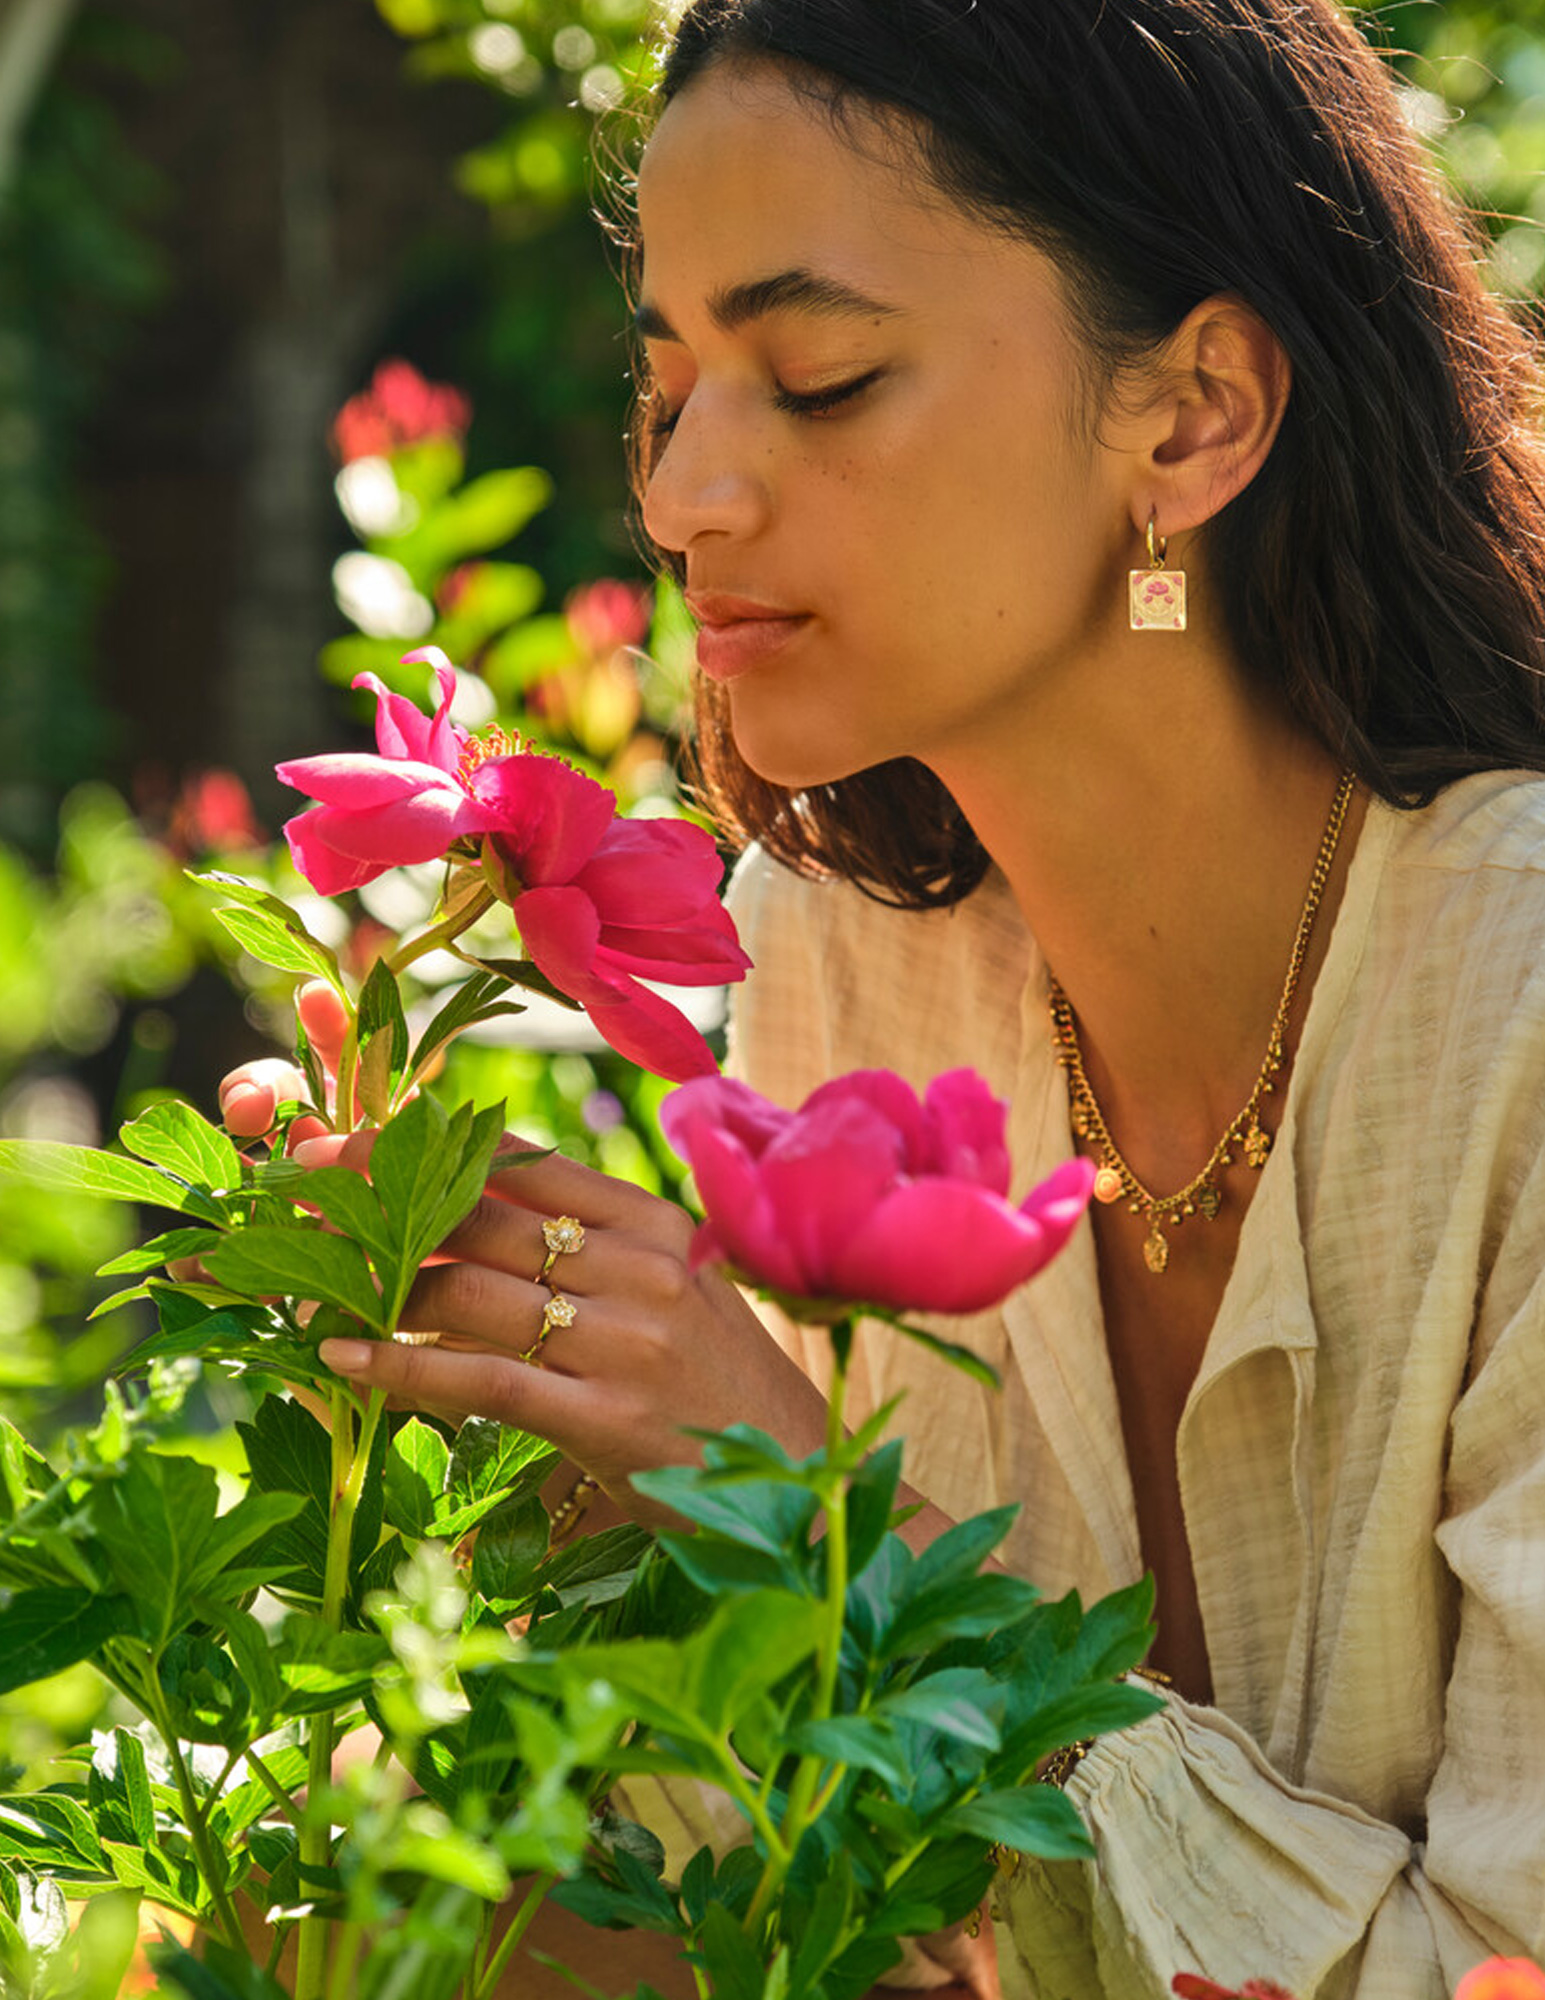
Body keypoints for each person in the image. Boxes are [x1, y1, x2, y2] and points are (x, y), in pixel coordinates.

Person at [220, 1, 1545, 1993]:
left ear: (1189, 416)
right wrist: (509, 1504)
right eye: (666, 386)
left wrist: (800, 1518)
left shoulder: (1512, 1009)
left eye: (818, 379)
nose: (681, 501)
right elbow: (844, 1909)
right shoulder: (845, 962)